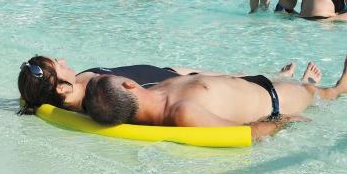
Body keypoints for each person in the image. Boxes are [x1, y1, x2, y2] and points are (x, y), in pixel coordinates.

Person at [82, 52, 347, 140]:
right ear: (129, 87)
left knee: (304, 85)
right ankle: (343, 88)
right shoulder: (181, 113)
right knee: (315, 92)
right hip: (275, 100)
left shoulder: (153, 92)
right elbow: (246, 134)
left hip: (250, 84)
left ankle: (337, 88)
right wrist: (284, 120)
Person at [18, 56, 311, 114]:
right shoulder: (95, 102)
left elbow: (30, 95)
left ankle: (277, 76)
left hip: (166, 71)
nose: (63, 59)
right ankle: (294, 83)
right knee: (237, 83)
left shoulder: (65, 89)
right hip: (172, 83)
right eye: (59, 64)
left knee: (237, 74)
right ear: (59, 88)